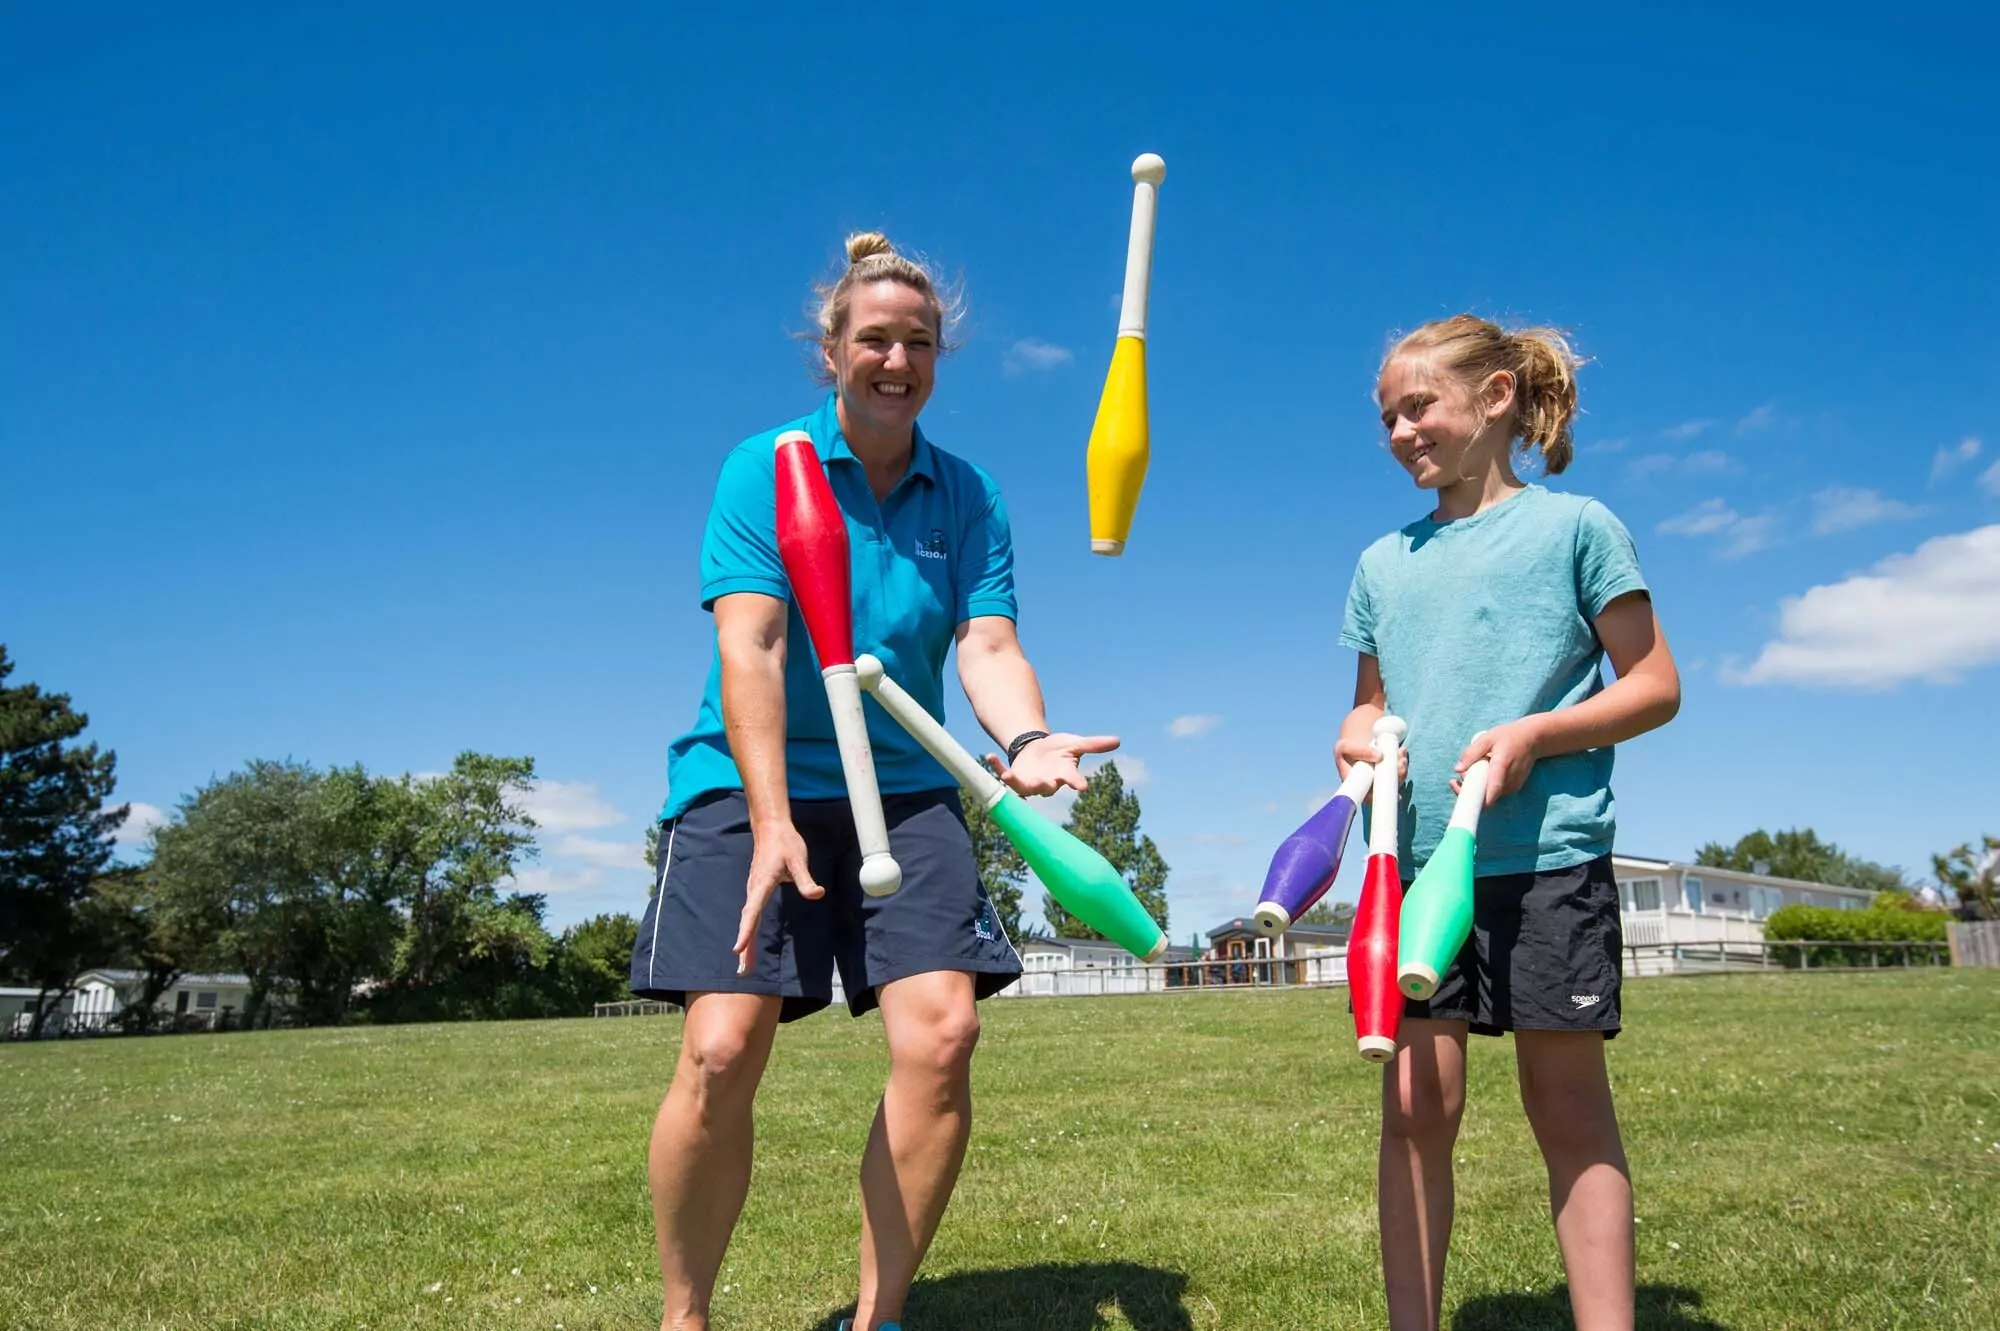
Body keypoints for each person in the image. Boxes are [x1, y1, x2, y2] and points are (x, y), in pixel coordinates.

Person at [629, 231, 1119, 1331]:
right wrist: (769, 819)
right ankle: (683, 1316)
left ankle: (879, 1316)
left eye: (918, 343)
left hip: (902, 780)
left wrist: (1029, 735)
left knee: (942, 1036)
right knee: (720, 1048)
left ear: (939, 354)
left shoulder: (968, 494)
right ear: (831, 349)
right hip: (749, 778)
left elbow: (986, 643)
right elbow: (752, 645)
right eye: (875, 340)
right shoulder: (766, 467)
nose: (896, 361)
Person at [1335, 314, 1683, 1331]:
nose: (1400, 432)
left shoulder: (1575, 527)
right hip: (1413, 863)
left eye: (1418, 407)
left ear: (1495, 397)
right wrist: (1355, 740)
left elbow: (1654, 683)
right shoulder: (1382, 561)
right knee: (1415, 1105)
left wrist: (1538, 731)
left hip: (1546, 857)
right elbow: (1368, 703)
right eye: (1386, 417)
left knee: (1566, 1107)